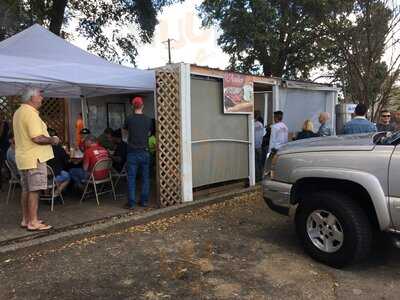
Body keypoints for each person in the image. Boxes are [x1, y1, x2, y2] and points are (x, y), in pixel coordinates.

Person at [13, 87, 59, 231]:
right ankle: (33, 222)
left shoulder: (19, 112)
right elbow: (37, 138)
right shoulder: (30, 113)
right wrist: (53, 140)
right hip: (35, 158)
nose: (42, 98)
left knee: (26, 190)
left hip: (24, 157)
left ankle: (26, 219)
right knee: (34, 190)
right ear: (31, 98)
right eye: (40, 95)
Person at [123, 96, 152, 209]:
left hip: (132, 152)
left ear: (132, 106)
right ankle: (144, 201)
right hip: (145, 152)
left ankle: (131, 203)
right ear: (142, 106)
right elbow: (149, 134)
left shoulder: (129, 119)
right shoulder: (148, 120)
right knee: (145, 178)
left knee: (131, 178)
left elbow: (124, 136)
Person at [47, 128, 71, 196]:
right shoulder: (60, 149)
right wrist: (66, 153)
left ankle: (49, 192)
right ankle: (55, 193)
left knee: (61, 173)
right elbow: (66, 162)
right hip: (54, 176)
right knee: (68, 176)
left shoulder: (45, 150)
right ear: (58, 142)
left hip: (44, 176)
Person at [254, 111, 265, 181]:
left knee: (255, 163)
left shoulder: (252, 124)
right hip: (260, 146)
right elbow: (263, 134)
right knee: (260, 162)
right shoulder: (261, 124)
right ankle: (261, 176)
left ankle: (256, 178)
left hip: (254, 146)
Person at [0, 115, 10, 190]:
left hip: (6, 145)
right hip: (2, 146)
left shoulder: (6, 124)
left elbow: (7, 134)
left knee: (6, 161)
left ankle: (10, 177)